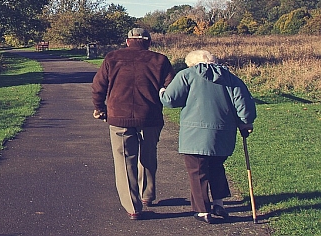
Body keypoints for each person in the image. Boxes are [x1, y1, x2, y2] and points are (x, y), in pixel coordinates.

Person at [159, 49, 256, 224]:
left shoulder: (186, 75)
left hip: (194, 134)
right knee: (217, 166)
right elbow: (244, 106)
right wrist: (246, 122)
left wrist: (162, 91)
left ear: (192, 63)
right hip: (223, 134)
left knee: (197, 171)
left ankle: (203, 210)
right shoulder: (231, 78)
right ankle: (219, 203)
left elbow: (170, 100)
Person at [92, 28, 175, 220]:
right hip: (150, 116)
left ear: (128, 41)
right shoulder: (160, 60)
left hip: (119, 116)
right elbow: (171, 87)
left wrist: (99, 107)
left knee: (124, 160)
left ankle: (133, 207)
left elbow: (98, 86)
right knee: (148, 154)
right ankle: (147, 195)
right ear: (148, 42)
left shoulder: (112, 58)